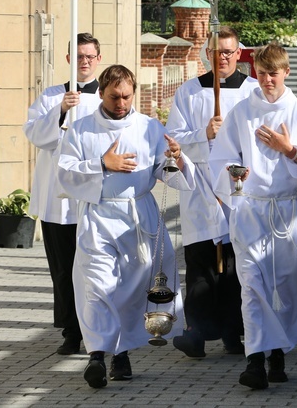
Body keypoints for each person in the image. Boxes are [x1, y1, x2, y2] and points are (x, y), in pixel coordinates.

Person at [57, 65, 195, 388]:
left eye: (126, 96)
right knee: (97, 286)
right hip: (99, 216)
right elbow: (64, 175)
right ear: (102, 93)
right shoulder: (81, 130)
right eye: (114, 96)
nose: (121, 103)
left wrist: (177, 157)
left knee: (131, 290)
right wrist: (102, 164)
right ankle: (97, 355)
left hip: (138, 216)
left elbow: (168, 172)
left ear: (134, 93)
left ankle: (121, 354)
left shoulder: (149, 127)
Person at [209, 43, 297, 390]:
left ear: (286, 72)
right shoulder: (240, 113)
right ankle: (254, 362)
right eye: (260, 74)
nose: (266, 81)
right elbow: (220, 159)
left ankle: (277, 352)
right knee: (252, 285)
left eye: (272, 74)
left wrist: (290, 150)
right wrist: (234, 173)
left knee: (284, 286)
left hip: (288, 213)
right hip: (250, 210)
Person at [165, 26, 257, 358]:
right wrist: (203, 134)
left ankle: (235, 332)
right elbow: (173, 137)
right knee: (201, 264)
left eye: (229, 52)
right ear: (207, 54)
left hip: (235, 186)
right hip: (200, 187)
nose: (223, 58)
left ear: (238, 53)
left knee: (234, 265)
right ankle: (197, 333)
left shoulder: (252, 91)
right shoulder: (189, 92)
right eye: (217, 52)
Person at [23, 33, 103, 356]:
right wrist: (59, 110)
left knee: (92, 267)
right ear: (70, 60)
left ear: (98, 59)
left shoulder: (107, 98)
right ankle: (71, 331)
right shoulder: (51, 96)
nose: (84, 62)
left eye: (89, 56)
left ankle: (96, 328)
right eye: (79, 56)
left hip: (93, 198)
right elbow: (34, 133)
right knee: (63, 268)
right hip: (57, 200)